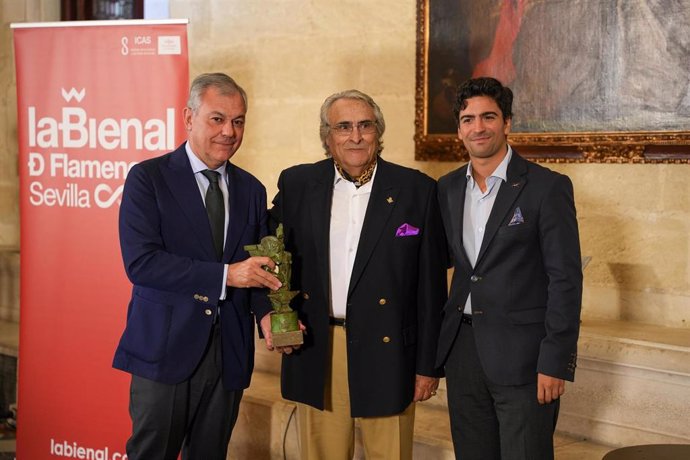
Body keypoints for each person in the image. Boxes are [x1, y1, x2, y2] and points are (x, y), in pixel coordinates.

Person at [266, 90, 447, 459]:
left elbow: (431, 289)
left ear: (378, 132)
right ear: (327, 137)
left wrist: (428, 366)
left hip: (391, 351)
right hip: (319, 347)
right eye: (343, 127)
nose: (356, 136)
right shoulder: (298, 185)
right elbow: (267, 257)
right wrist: (270, 314)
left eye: (365, 125)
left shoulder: (417, 190)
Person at [113, 72, 282, 460]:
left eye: (238, 121)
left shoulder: (252, 190)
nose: (229, 131)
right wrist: (226, 275)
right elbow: (142, 263)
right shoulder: (148, 178)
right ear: (189, 118)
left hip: (229, 355)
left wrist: (268, 315)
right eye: (217, 119)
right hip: (165, 349)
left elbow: (256, 267)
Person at [436, 77, 582, 460]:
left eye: (488, 116)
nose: (478, 127)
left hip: (525, 358)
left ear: (507, 123)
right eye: (468, 119)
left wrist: (556, 361)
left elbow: (565, 280)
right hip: (463, 353)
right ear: (459, 128)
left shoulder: (547, 188)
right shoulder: (447, 188)